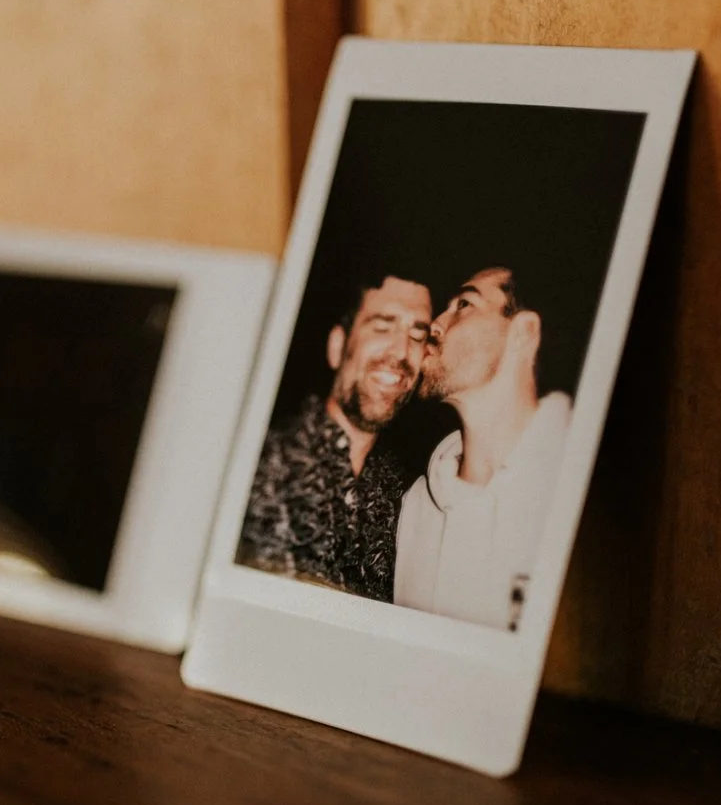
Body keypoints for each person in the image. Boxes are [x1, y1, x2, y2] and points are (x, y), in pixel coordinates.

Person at [395, 267, 572, 629]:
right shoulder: (415, 508)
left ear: (524, 332)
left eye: (464, 304)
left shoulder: (575, 486)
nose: (435, 324)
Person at [237, 272, 431, 600]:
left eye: (417, 334)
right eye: (383, 325)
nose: (402, 351)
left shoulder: (405, 501)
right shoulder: (260, 465)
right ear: (337, 347)